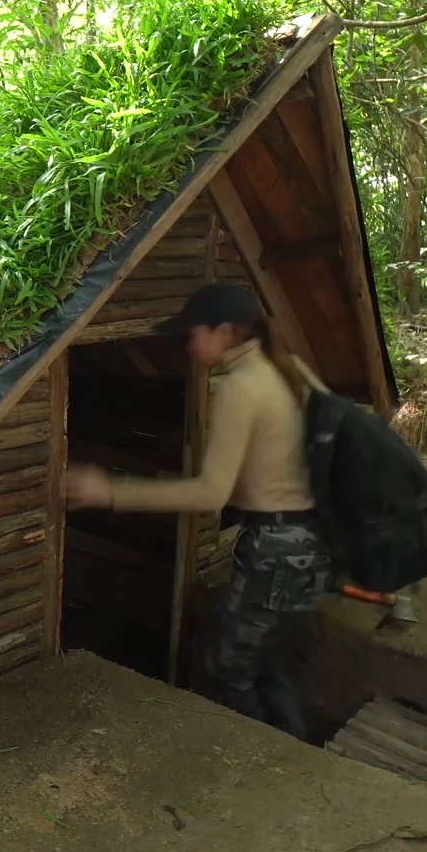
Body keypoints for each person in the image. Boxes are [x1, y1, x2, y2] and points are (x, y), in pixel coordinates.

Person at [65, 282, 333, 740]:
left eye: (193, 333)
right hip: (311, 541)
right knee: (263, 657)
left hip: (277, 548)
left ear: (225, 332)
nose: (187, 345)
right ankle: (293, 745)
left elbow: (211, 493)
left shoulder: (240, 387)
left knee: (228, 666)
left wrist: (111, 490)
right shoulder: (287, 369)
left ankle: (273, 759)